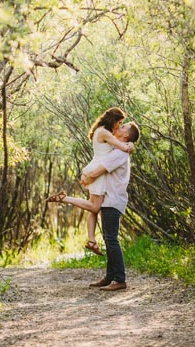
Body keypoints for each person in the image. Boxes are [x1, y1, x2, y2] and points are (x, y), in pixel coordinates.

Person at [46, 107, 134, 256]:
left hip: (95, 166)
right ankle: (65, 198)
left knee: (93, 206)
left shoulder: (101, 130)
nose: (119, 126)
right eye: (119, 123)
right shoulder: (105, 133)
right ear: (113, 120)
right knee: (94, 207)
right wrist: (130, 145)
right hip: (98, 171)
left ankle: (92, 240)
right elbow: (122, 146)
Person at [81, 121, 140, 291]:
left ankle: (120, 279)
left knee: (111, 239)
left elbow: (100, 170)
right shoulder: (120, 149)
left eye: (122, 127)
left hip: (113, 199)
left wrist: (86, 178)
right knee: (109, 238)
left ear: (126, 135)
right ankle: (110, 277)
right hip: (110, 198)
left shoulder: (119, 154)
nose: (118, 128)